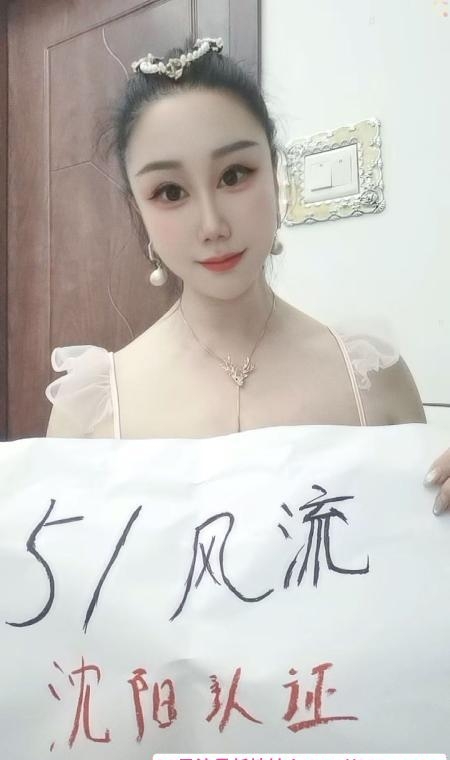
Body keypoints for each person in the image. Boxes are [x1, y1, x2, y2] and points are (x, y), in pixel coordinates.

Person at [45, 37, 450, 515]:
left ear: (274, 173)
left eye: (234, 175)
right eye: (170, 192)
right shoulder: (89, 414)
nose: (212, 225)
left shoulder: (373, 377)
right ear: (138, 210)